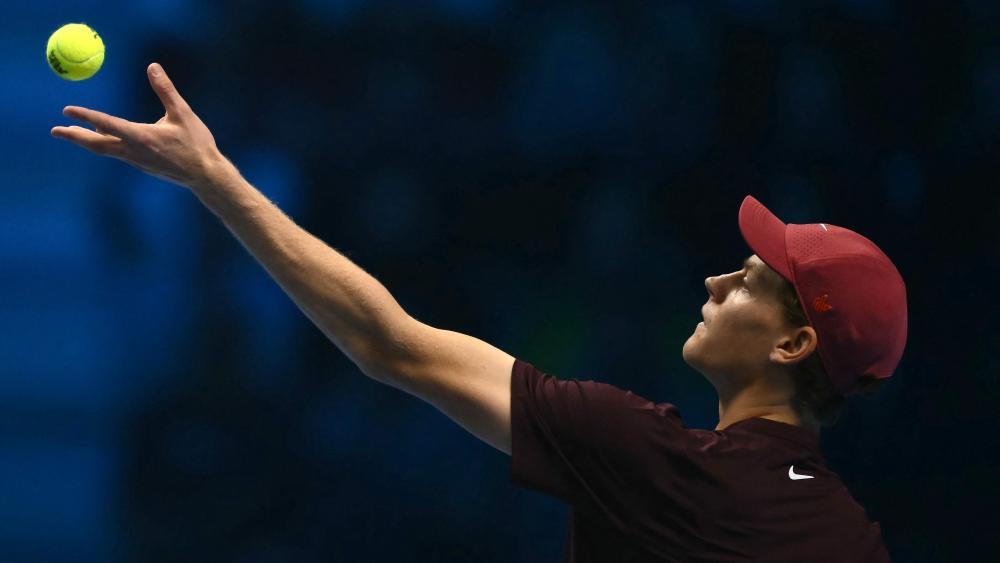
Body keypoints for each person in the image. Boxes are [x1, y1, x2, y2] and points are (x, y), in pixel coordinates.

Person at [51, 63, 905, 562]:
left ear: (795, 341)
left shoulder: (652, 454)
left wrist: (215, 180)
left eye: (751, 279)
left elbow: (388, 345)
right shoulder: (849, 532)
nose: (717, 281)